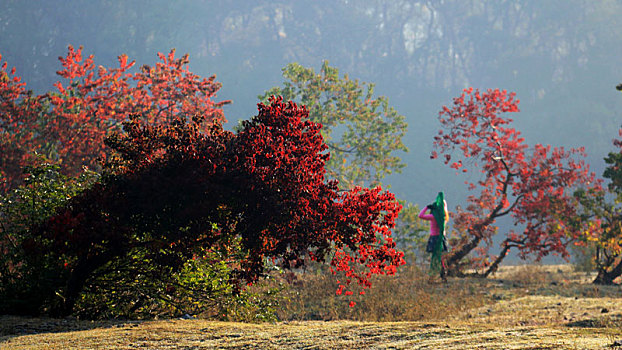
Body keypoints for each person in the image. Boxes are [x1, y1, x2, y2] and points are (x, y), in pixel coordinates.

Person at [419, 191, 449, 282]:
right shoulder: (444, 217)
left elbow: (420, 215)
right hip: (442, 238)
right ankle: (443, 274)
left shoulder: (433, 217)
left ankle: (433, 276)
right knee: (440, 257)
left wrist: (427, 207)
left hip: (434, 238)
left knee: (435, 258)